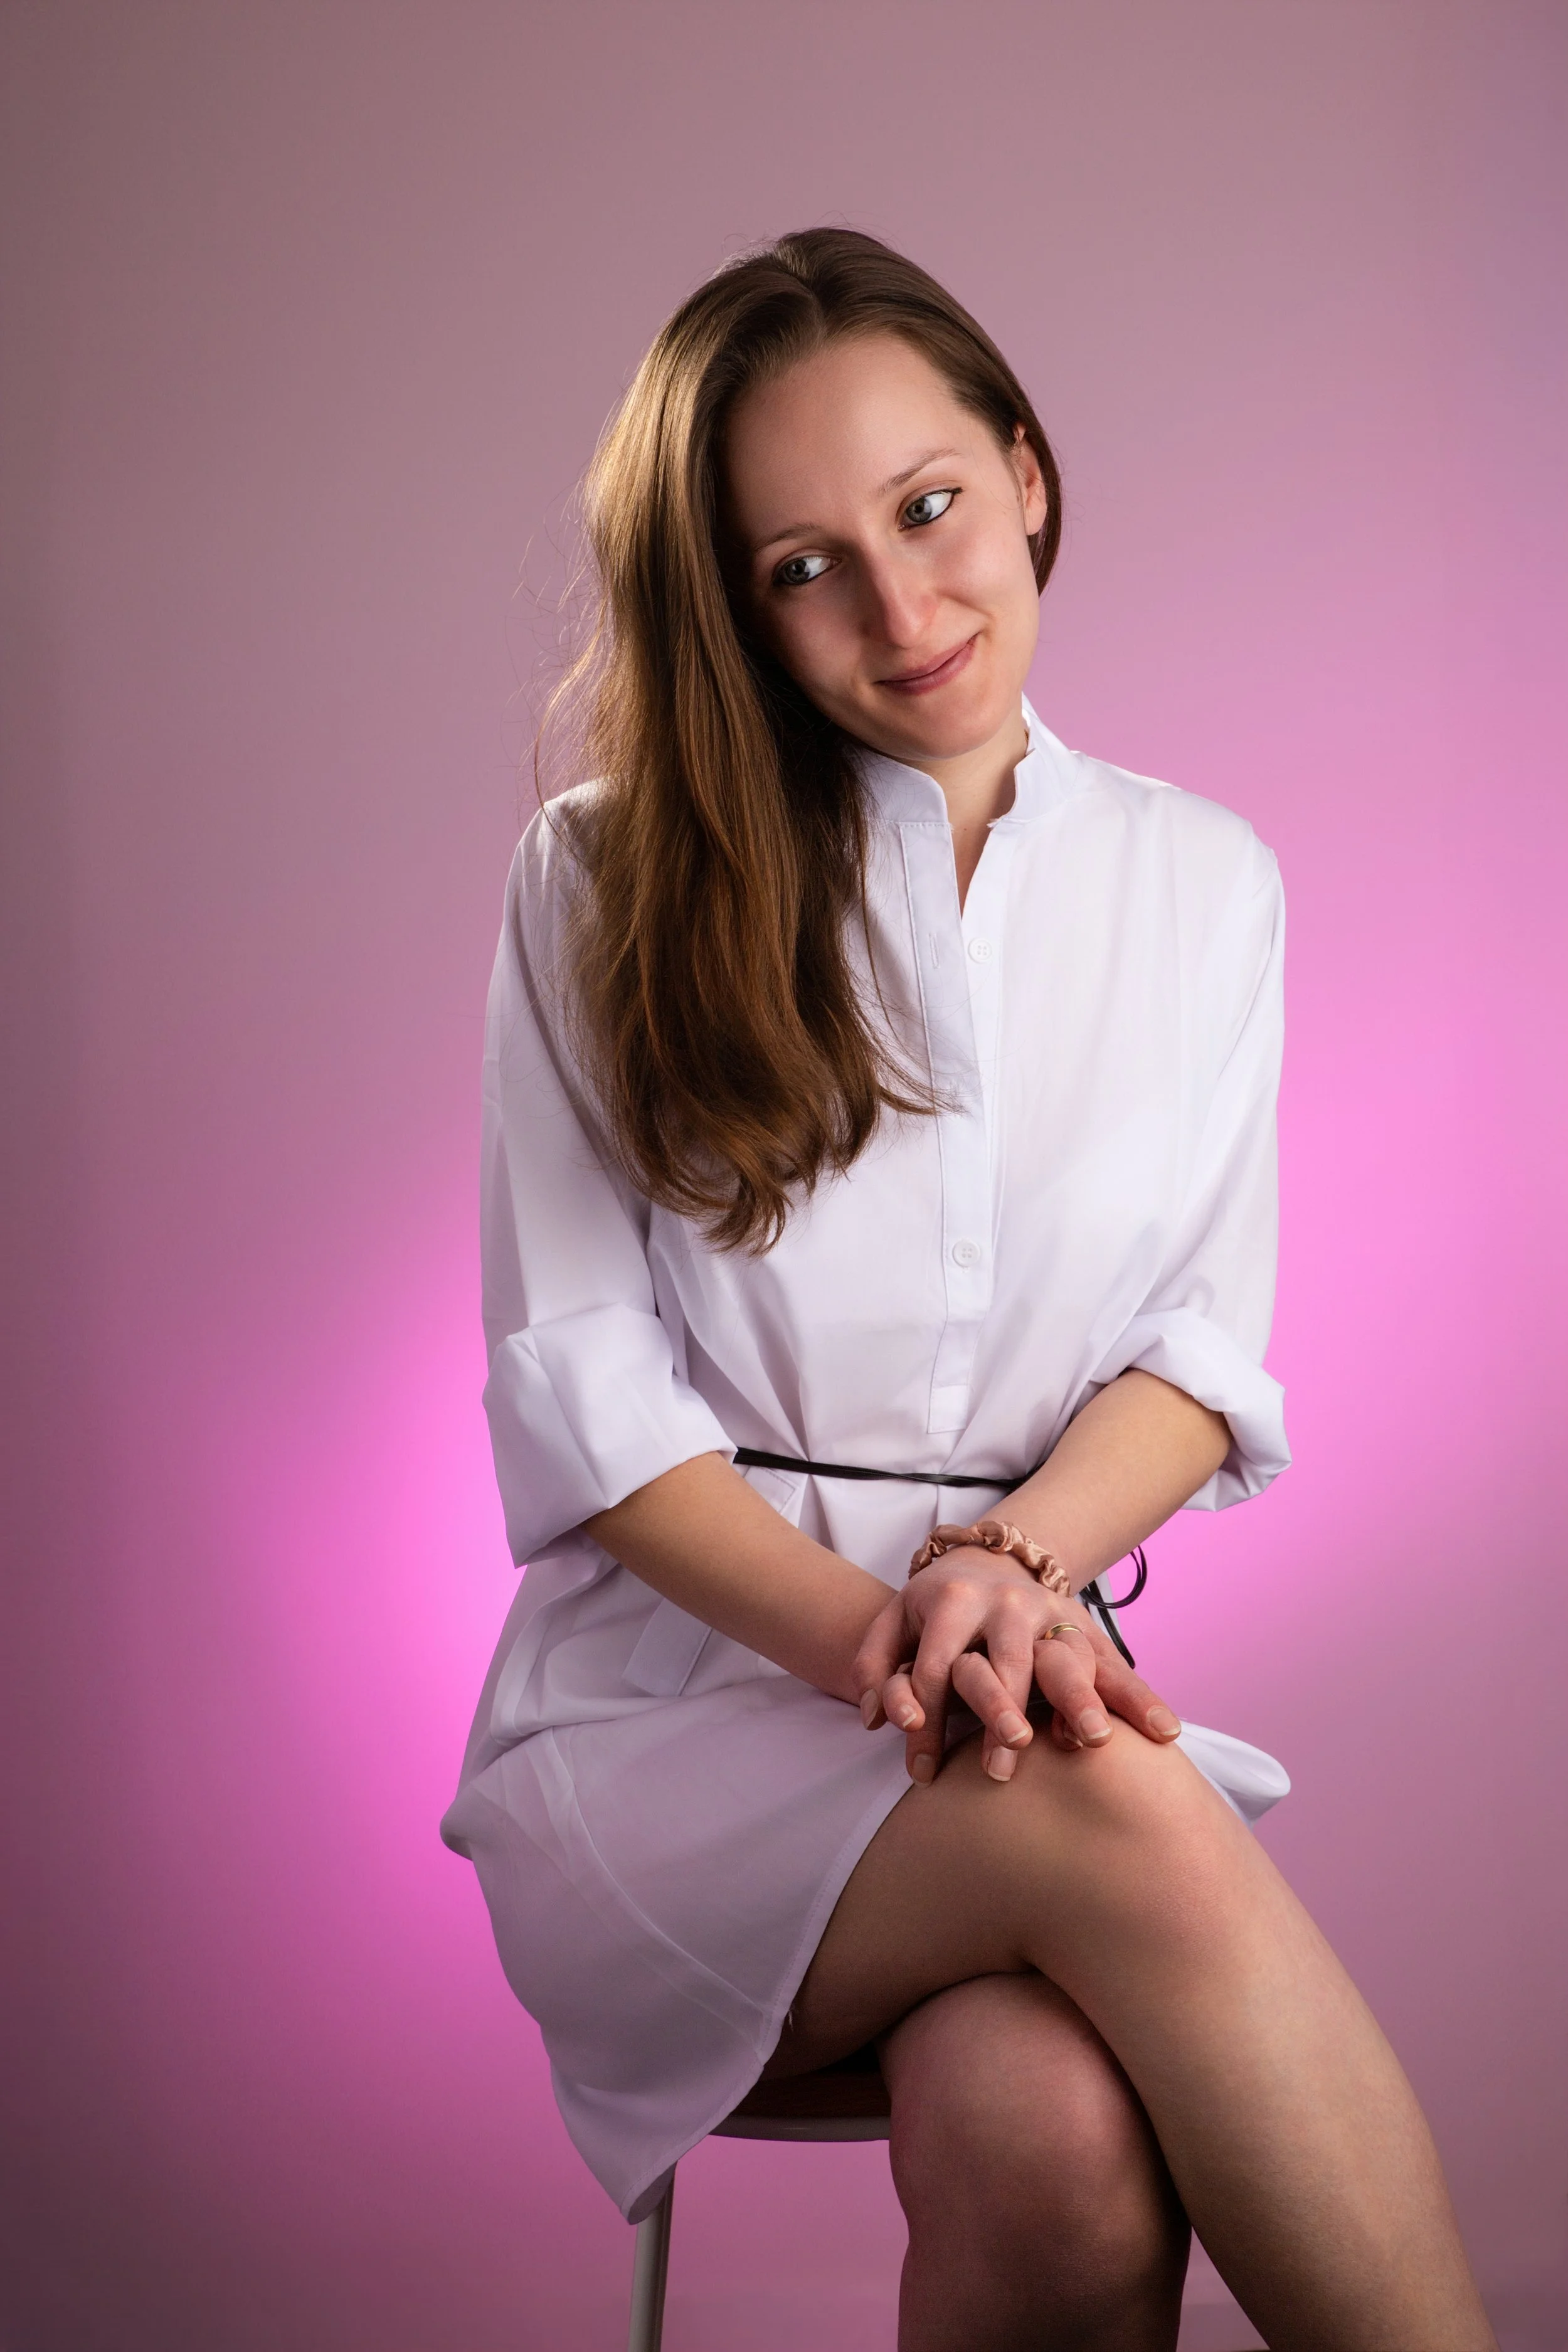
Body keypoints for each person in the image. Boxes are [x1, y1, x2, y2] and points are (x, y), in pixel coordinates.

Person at [442, 228, 1494, 2352]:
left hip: (1024, 1679)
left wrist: (1011, 1575)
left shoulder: (1202, 882)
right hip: (675, 1737)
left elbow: (1190, 1361)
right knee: (1116, 1799)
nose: (904, 607)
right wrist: (906, 1646)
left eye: (926, 507)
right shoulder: (601, 872)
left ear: (1023, 472)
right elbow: (586, 1399)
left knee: (1055, 2150)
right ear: (728, 606)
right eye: (801, 563)